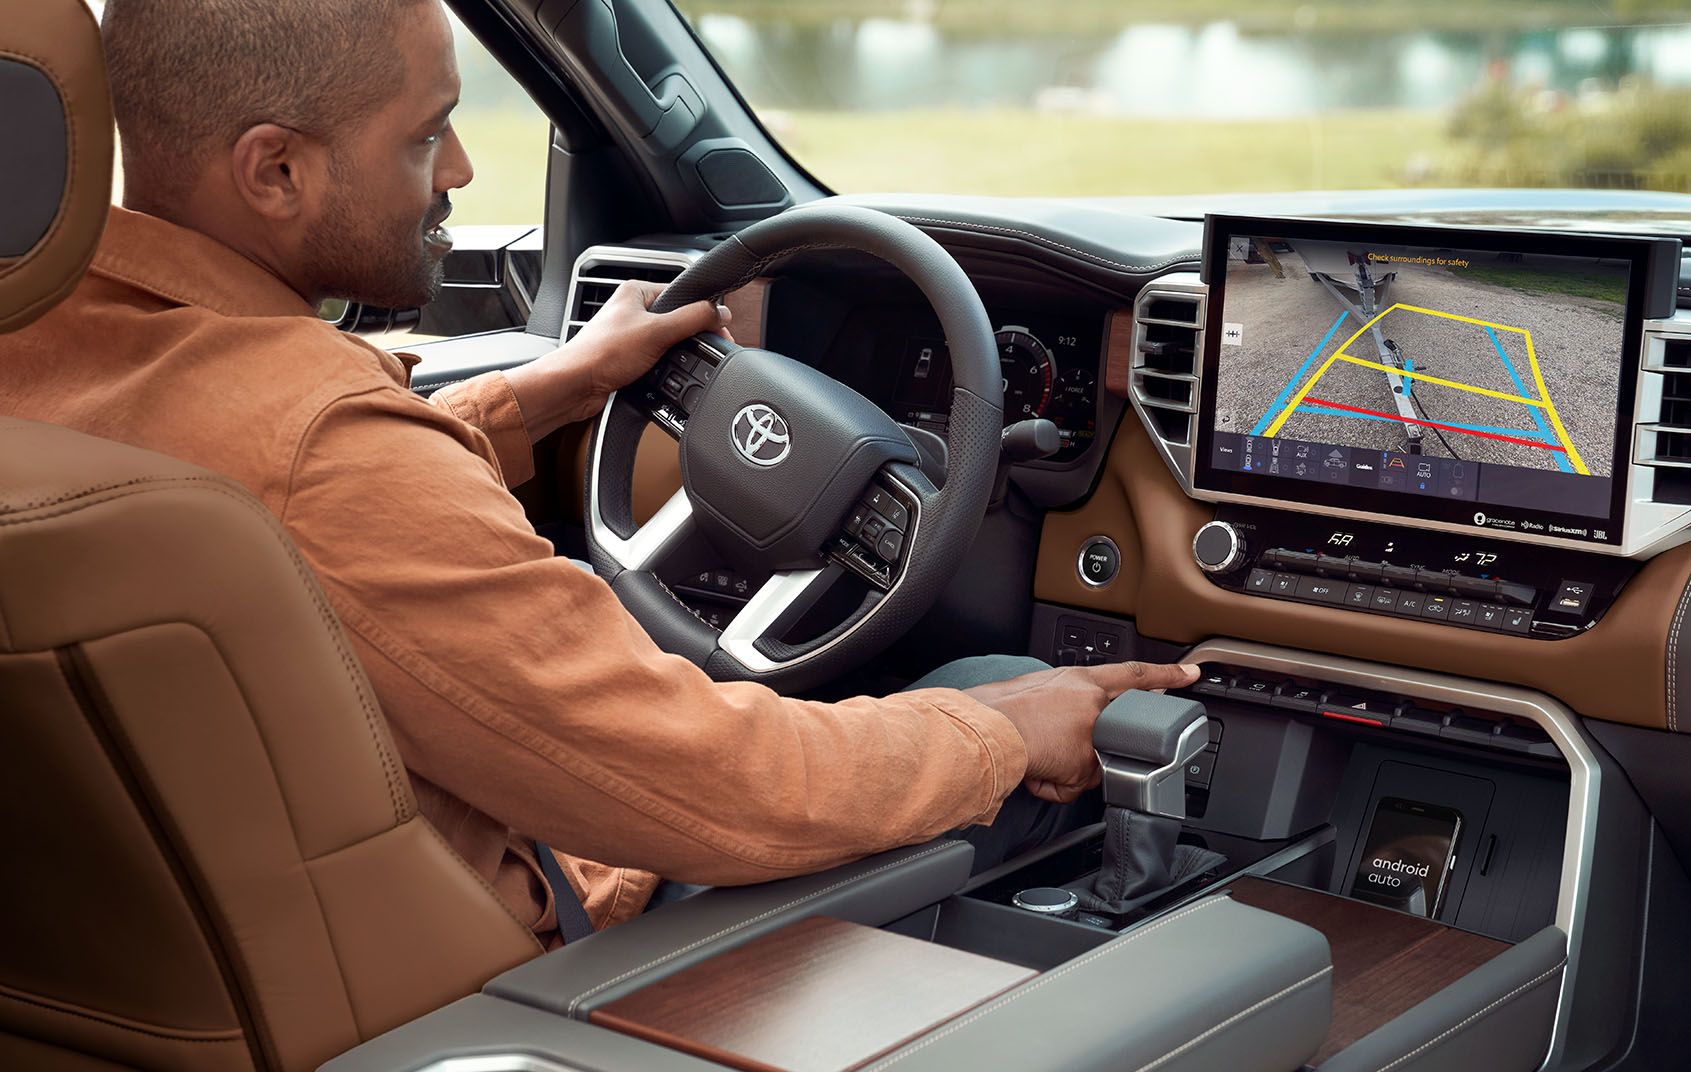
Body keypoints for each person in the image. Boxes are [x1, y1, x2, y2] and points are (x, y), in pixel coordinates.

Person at [0, 0, 1197, 944]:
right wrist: (997, 731)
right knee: (1003, 685)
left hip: (210, 962)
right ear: (274, 174)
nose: (461, 168)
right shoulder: (327, 449)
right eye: (424, 134)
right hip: (518, 969)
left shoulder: (51, 352)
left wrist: (556, 389)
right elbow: (718, 786)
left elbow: (291, 500)